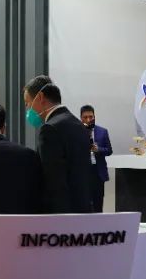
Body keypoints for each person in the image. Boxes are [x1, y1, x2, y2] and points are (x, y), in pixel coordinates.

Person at [23, 75, 93, 214]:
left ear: (40, 97)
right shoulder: (78, 125)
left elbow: (53, 181)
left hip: (62, 215)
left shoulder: (49, 129)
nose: (27, 109)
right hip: (82, 209)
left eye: (27, 103)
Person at [80, 105, 113, 213]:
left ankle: (99, 222)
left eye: (91, 117)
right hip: (82, 171)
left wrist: (98, 149)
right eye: (85, 117)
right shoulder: (76, 132)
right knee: (83, 202)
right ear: (81, 118)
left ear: (94, 116)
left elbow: (109, 150)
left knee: (98, 202)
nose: (88, 119)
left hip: (98, 172)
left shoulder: (103, 131)